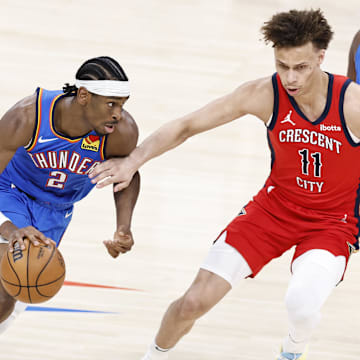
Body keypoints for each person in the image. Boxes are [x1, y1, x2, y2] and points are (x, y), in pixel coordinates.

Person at [90, 9, 360, 360]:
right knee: (192, 302)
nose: (290, 78)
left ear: (321, 57)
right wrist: (132, 161)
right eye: (282, 65)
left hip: (332, 222)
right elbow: (187, 125)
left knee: (302, 302)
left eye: (301, 67)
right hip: (273, 210)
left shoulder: (351, 104)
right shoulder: (265, 93)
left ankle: (293, 350)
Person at [0, 56, 140, 332]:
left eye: (122, 104)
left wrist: (123, 227)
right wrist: (8, 225)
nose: (118, 114)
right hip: (11, 193)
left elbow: (127, 174)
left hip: (55, 210)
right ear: (84, 96)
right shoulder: (28, 116)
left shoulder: (121, 132)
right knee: (3, 292)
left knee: (21, 292)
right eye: (111, 104)